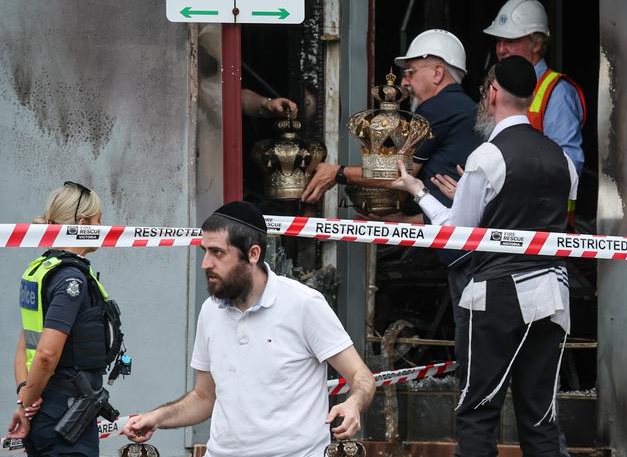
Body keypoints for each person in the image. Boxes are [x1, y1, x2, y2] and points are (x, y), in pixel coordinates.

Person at [390, 56, 579, 456]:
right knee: (541, 420)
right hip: (554, 295)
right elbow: (541, 216)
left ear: (492, 94)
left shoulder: (487, 157)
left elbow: (458, 235)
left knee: (478, 414)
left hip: (498, 295)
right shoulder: (563, 161)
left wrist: (417, 191)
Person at [122, 201, 375, 456]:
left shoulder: (304, 304)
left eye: (217, 253)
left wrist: (353, 403)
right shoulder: (211, 310)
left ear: (253, 254)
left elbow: (361, 376)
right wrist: (156, 417)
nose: (205, 264)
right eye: (204, 251)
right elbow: (204, 396)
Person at [301, 29, 482, 222]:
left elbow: (397, 174)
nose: (404, 82)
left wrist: (337, 172)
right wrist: (402, 222)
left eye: (410, 72)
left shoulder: (439, 107)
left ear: (437, 73)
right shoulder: (465, 107)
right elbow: (448, 205)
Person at [7, 182, 126, 457]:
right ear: (82, 224)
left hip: (49, 410)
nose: (102, 227)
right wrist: (27, 403)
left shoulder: (43, 270)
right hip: (66, 415)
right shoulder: (71, 279)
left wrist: (25, 399)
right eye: (99, 220)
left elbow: (24, 348)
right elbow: (47, 354)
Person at [484, 0, 586, 176]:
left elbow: (568, 166)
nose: (500, 50)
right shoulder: (499, 84)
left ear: (537, 44)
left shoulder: (557, 92)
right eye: (498, 41)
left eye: (511, 41)